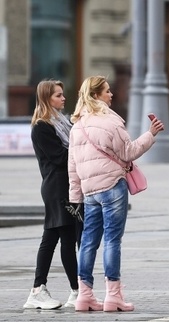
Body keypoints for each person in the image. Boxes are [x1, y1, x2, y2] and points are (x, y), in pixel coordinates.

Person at [68, 75, 164, 311]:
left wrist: (75, 197)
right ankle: (113, 295)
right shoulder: (111, 122)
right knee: (112, 240)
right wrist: (150, 133)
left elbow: (72, 166)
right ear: (97, 95)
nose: (111, 95)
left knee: (88, 241)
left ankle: (84, 295)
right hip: (112, 186)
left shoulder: (77, 126)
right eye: (107, 91)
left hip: (90, 191)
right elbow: (129, 152)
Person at [24, 80, 81, 310]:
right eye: (58, 95)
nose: (63, 98)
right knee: (65, 238)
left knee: (53, 238)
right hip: (56, 187)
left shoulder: (62, 122)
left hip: (64, 186)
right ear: (47, 98)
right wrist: (82, 149)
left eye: (62, 94)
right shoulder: (42, 126)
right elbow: (59, 157)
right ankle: (74, 291)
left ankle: (41, 289)